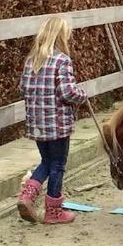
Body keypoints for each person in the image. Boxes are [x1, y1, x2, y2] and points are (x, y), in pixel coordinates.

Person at [17, 17, 87, 224]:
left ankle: (27, 195)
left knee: (46, 161)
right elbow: (67, 92)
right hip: (57, 124)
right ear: (61, 36)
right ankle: (53, 211)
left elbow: (22, 89)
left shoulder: (32, 60)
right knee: (58, 164)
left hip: (37, 124)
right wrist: (81, 95)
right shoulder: (62, 60)